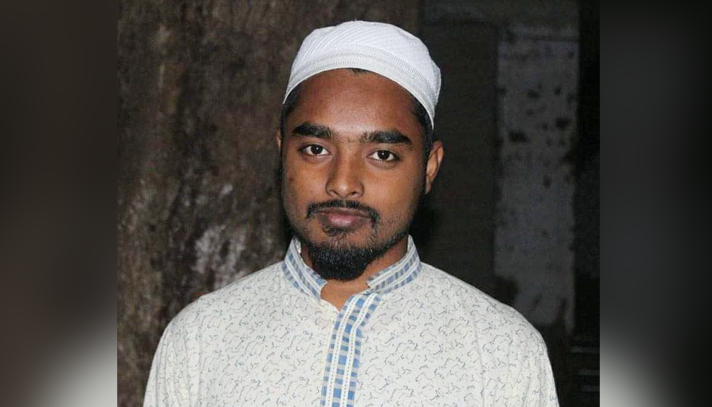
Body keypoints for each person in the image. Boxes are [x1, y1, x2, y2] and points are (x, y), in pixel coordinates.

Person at [143, 20, 559, 407]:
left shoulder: (502, 352)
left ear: (429, 168)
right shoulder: (201, 340)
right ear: (282, 154)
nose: (343, 183)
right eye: (316, 149)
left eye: (382, 154)